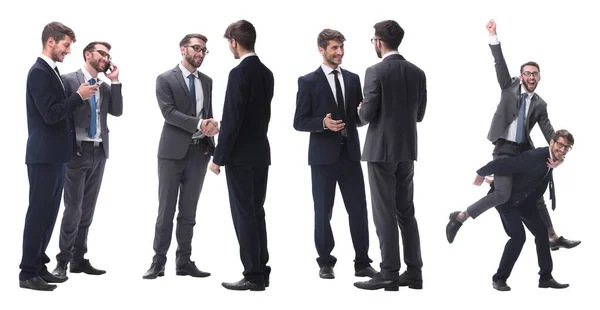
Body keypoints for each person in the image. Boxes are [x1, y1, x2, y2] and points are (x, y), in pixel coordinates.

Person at [446, 20, 580, 251]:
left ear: (539, 78)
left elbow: (549, 131)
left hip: (523, 150)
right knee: (502, 194)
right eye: (527, 73)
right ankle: (460, 217)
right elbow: (499, 62)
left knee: (536, 190)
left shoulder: (540, 104)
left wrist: (558, 154)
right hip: (504, 149)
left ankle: (551, 236)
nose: (531, 77)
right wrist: (493, 36)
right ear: (521, 76)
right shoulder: (508, 87)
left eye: (535, 74)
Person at [293, 28, 376, 281]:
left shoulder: (352, 78)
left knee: (359, 210)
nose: (339, 52)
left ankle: (362, 263)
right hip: (322, 158)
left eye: (341, 47)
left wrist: (362, 115)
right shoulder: (307, 81)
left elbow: (358, 119)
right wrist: (322, 124)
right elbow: (299, 121)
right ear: (321, 49)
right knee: (323, 212)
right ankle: (325, 262)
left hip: (350, 154)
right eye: (334, 48)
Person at [21, 21, 98, 291]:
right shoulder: (39, 72)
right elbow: (51, 114)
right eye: (65, 45)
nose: (68, 51)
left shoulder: (52, 72)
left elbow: (58, 116)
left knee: (49, 214)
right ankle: (27, 273)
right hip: (43, 156)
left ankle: (39, 267)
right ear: (50, 42)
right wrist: (78, 96)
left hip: (57, 155)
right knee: (38, 214)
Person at [353, 20, 427, 292]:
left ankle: (388, 273)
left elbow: (366, 114)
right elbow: (419, 115)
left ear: (379, 42)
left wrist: (360, 110)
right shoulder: (418, 73)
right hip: (407, 150)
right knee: (406, 211)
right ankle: (415, 273)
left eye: (373, 40)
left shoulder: (375, 71)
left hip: (381, 150)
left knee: (384, 213)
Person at [143, 33, 219, 280]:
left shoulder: (207, 81)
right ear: (182, 49)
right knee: (165, 211)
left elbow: (206, 113)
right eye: (196, 48)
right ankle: (158, 262)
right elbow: (169, 113)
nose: (200, 53)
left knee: (189, 211)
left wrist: (211, 130)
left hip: (199, 153)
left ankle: (184, 261)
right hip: (171, 154)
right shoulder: (165, 79)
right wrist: (200, 122)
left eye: (204, 50)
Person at [209, 19, 273, 291]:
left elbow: (233, 119)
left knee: (244, 214)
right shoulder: (267, 72)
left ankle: (253, 275)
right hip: (260, 152)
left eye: (228, 43)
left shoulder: (239, 73)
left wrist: (218, 157)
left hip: (240, 156)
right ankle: (262, 269)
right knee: (257, 212)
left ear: (234, 42)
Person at [52, 41, 123, 278]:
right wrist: (70, 146)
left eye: (108, 55)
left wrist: (115, 81)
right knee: (73, 209)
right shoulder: (69, 80)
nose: (105, 58)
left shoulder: (103, 86)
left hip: (99, 152)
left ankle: (78, 259)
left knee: (87, 210)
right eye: (101, 53)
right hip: (77, 152)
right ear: (88, 54)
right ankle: (62, 261)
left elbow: (117, 111)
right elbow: (60, 115)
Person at [468, 130, 573, 291]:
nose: (563, 150)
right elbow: (506, 165)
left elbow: (530, 178)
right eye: (561, 144)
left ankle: (546, 278)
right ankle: (499, 278)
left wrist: (558, 162)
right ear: (552, 142)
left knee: (541, 232)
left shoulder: (553, 160)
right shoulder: (536, 156)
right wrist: (482, 173)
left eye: (567, 147)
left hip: (525, 202)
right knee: (518, 238)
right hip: (508, 202)